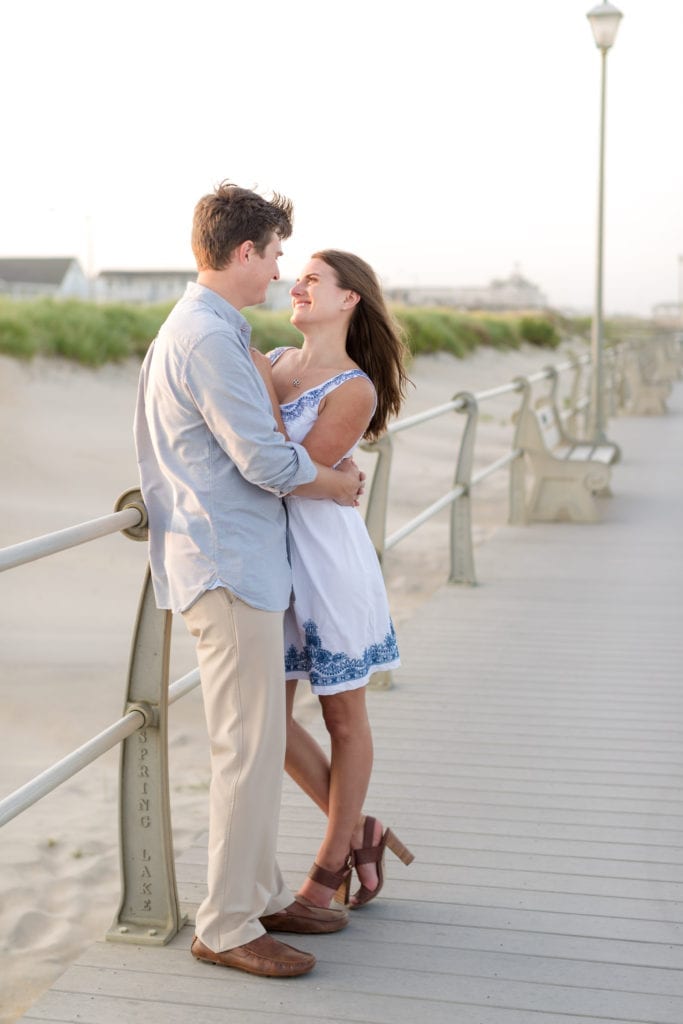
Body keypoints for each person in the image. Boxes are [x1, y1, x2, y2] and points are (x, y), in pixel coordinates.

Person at [133, 184, 366, 979]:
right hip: (227, 565)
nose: (275, 273)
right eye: (271, 256)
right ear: (243, 252)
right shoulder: (206, 337)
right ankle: (227, 926)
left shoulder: (215, 331)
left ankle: (257, 891)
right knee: (244, 748)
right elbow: (264, 460)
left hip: (234, 561)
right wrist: (335, 484)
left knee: (258, 744)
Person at [253, 249, 414, 913]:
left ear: (348, 299)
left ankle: (325, 871)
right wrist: (259, 376)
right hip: (266, 563)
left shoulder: (353, 388)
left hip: (326, 564)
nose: (297, 284)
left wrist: (258, 384)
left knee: (341, 716)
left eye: (312, 279)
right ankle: (359, 833)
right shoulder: (267, 361)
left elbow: (285, 468)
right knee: (265, 717)